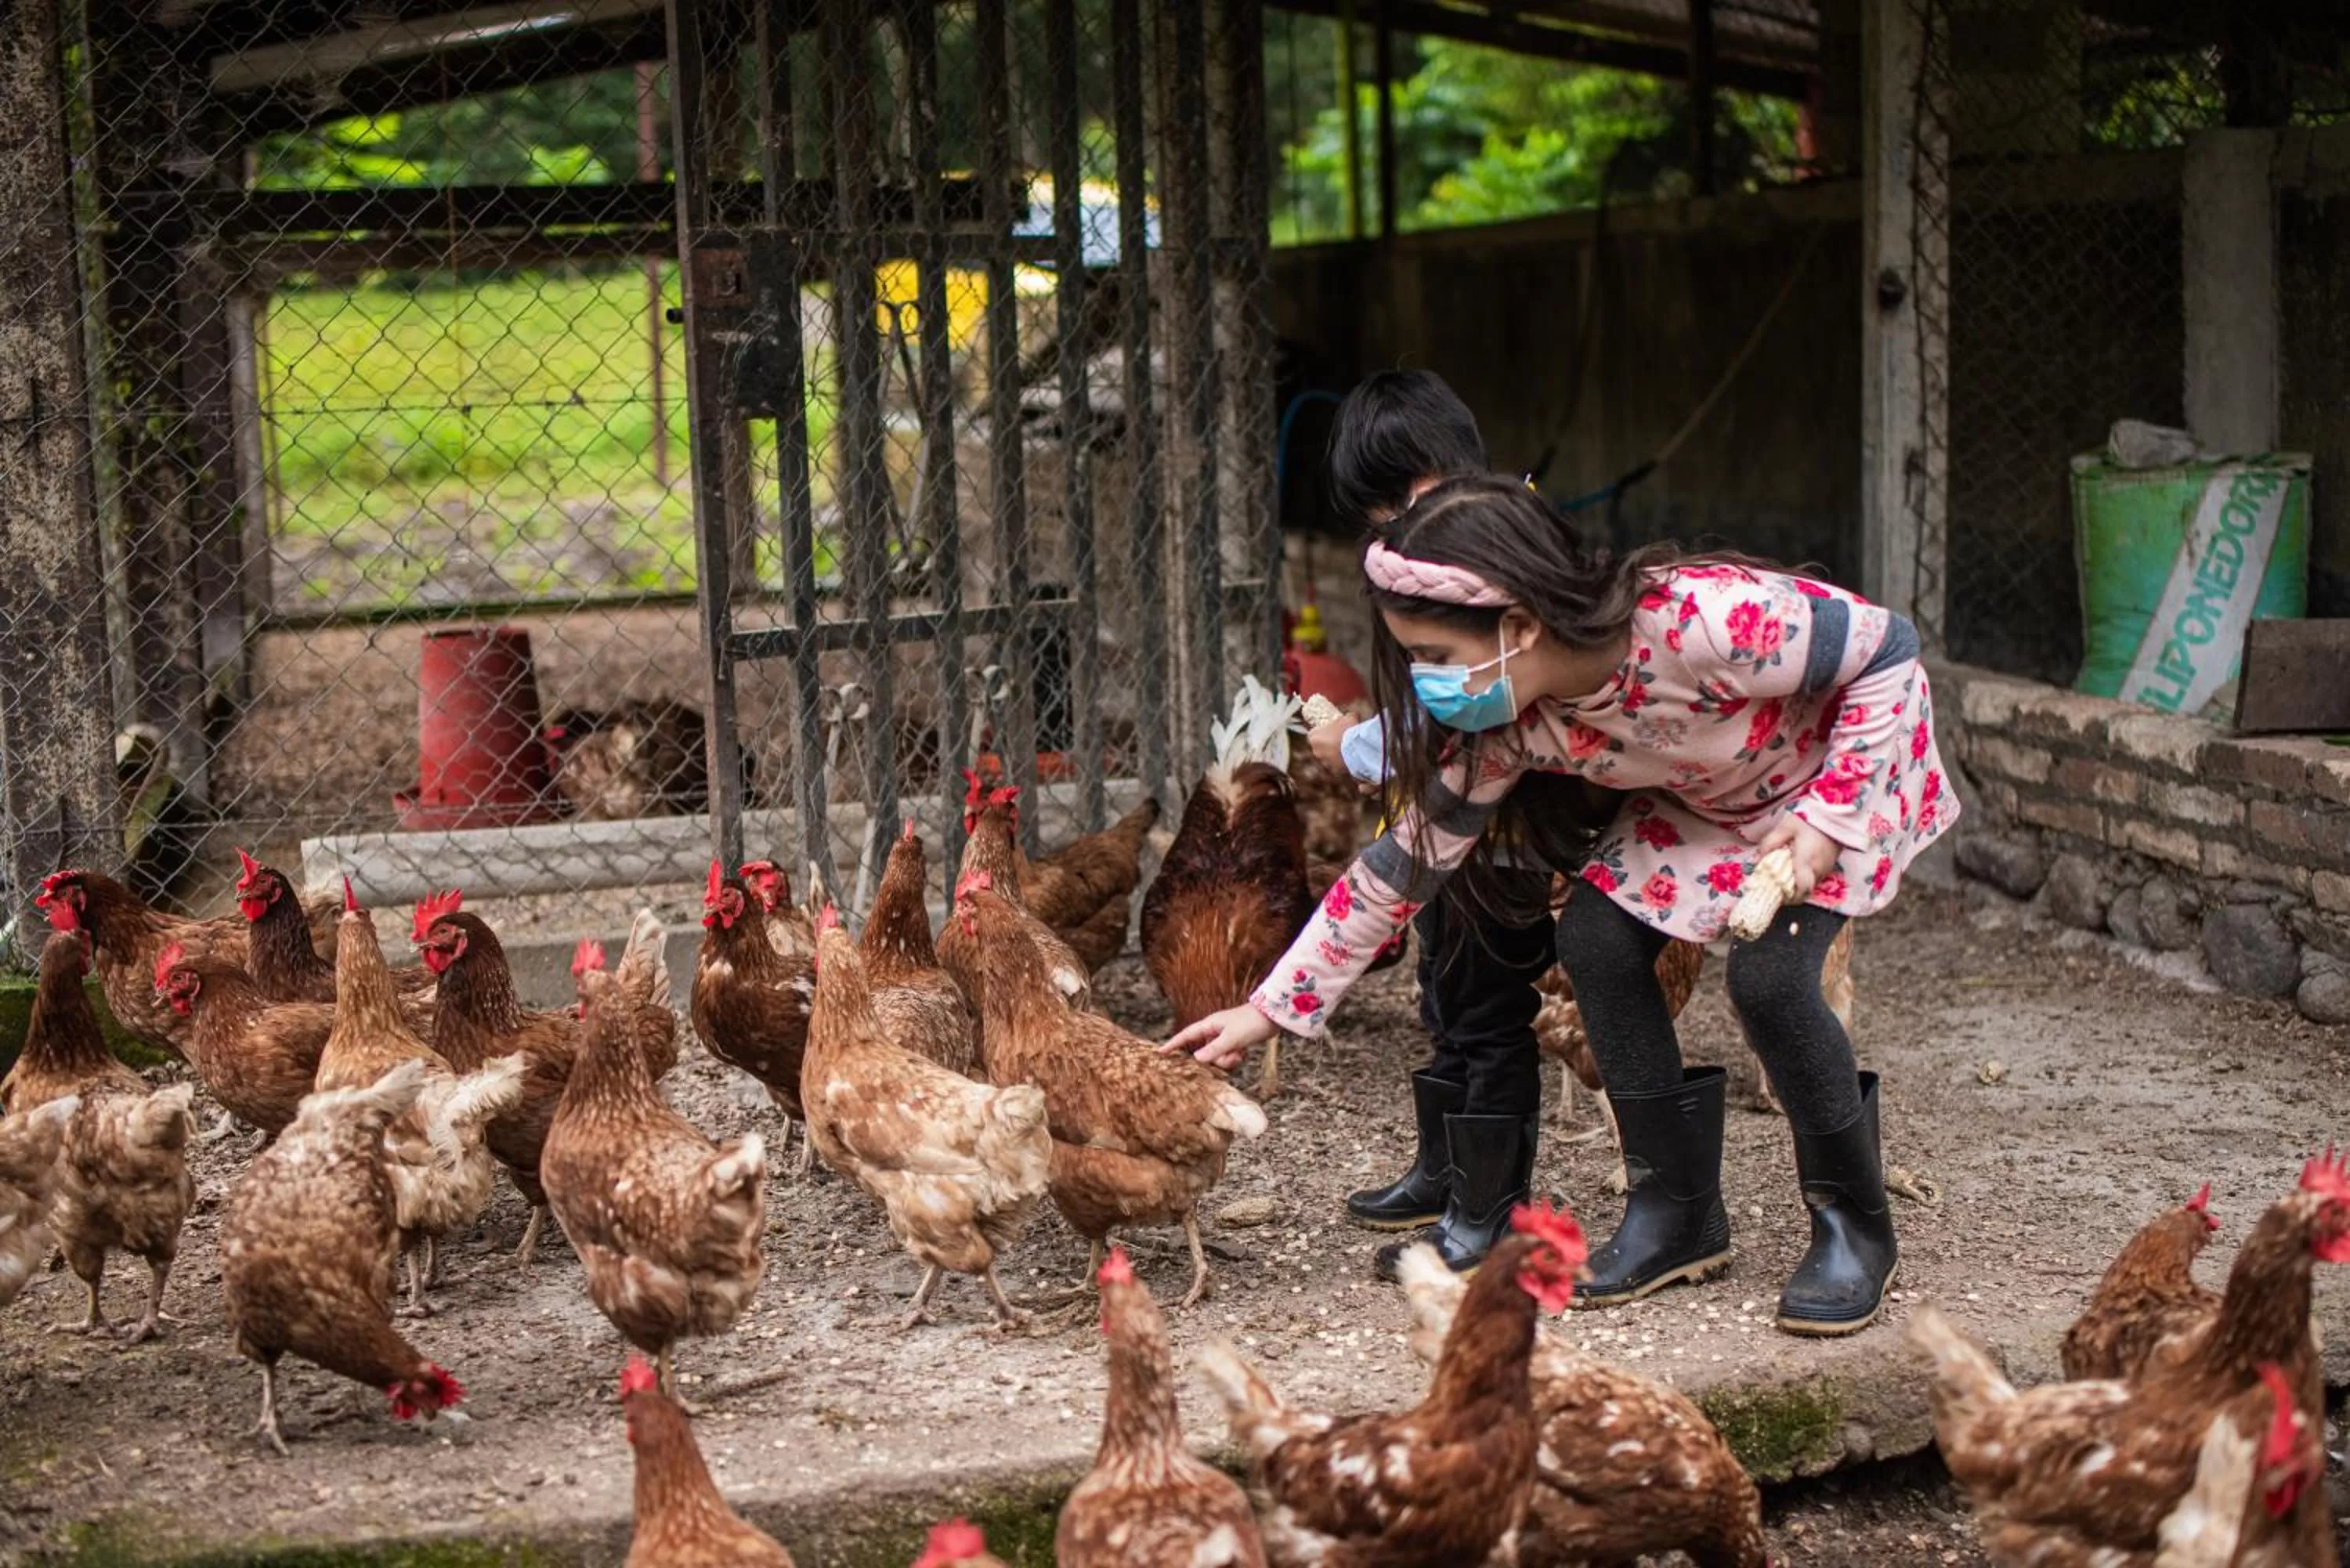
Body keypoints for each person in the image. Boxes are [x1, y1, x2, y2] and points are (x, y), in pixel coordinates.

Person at [1170, 475, 1954, 1337]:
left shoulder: (1704, 621)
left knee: (1771, 981)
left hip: (1832, 776)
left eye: (1435, 655)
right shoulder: (1511, 724)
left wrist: (1829, 818)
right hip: (1707, 798)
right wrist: (1267, 1010)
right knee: (1597, 939)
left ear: (1519, 627)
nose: (1426, 684)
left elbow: (1889, 649)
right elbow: (1400, 868)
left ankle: (1854, 1226)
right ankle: (1677, 1214)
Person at [1308, 372, 1609, 1283]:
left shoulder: (1492, 563)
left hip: (1503, 837)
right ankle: (1446, 1173)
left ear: (1446, 471)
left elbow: (1444, 717)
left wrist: (1354, 746)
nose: (1389, 530)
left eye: (1400, 500)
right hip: (1444, 831)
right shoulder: (1426, 557)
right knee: (1443, 996)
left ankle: (1487, 1212)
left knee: (1487, 1012)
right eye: (1376, 515)